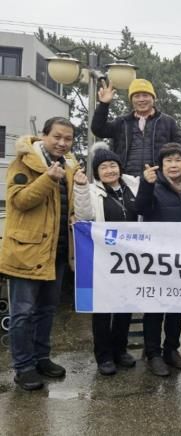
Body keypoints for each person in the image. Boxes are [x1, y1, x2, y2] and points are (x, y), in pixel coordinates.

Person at [0, 117, 79, 390]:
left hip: (57, 251)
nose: (62, 143)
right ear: (44, 136)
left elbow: (71, 207)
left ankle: (42, 358)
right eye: (57, 136)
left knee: (46, 310)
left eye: (68, 139)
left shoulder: (70, 166)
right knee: (22, 312)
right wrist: (47, 179)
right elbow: (18, 201)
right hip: (27, 251)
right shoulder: (23, 163)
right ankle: (24, 367)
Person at [73, 144, 139, 376]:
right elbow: (83, 216)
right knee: (102, 308)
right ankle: (104, 356)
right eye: (103, 167)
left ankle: (120, 350)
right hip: (102, 258)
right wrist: (81, 188)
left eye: (113, 165)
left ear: (120, 167)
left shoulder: (133, 186)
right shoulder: (91, 191)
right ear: (97, 172)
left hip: (131, 258)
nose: (110, 170)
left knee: (125, 305)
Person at [135, 143, 181, 376]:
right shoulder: (153, 184)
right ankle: (153, 353)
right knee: (154, 307)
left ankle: (171, 349)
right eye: (168, 161)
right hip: (157, 258)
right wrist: (146, 184)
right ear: (161, 166)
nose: (173, 165)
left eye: (178, 160)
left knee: (178, 306)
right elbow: (140, 208)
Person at [91, 78, 181, 176]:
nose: (141, 99)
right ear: (131, 100)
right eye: (137, 96)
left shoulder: (168, 122)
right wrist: (104, 105)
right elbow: (98, 129)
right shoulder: (122, 122)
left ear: (153, 98)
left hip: (158, 178)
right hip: (127, 178)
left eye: (145, 95)